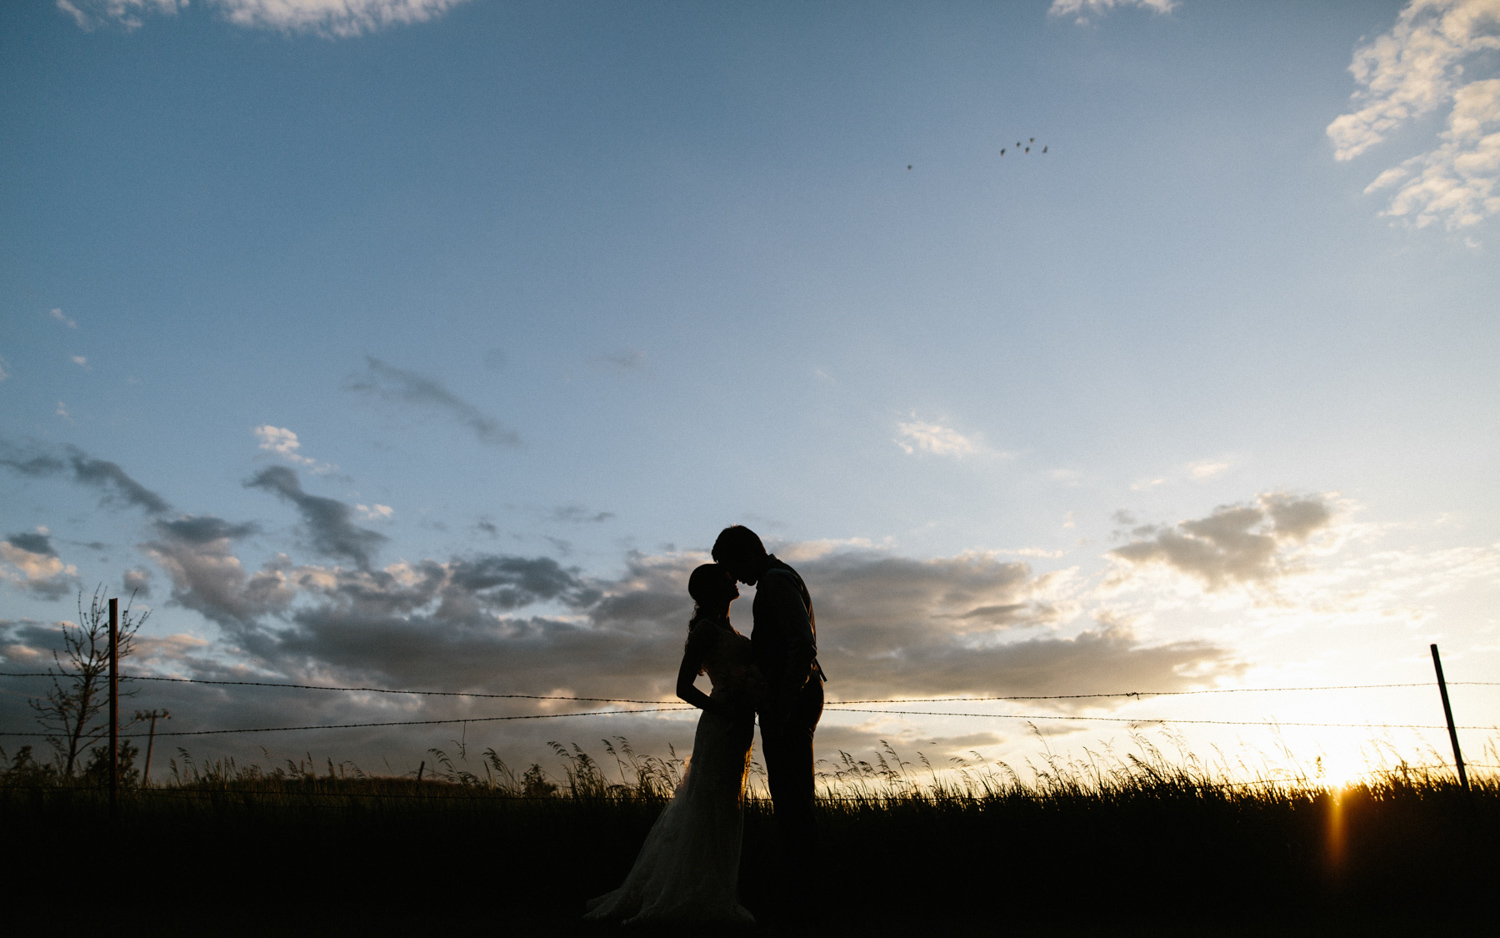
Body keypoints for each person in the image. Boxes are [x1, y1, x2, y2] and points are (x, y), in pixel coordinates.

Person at [584, 563, 761, 926]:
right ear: (713, 590)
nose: (734, 578)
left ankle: (717, 891)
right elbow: (683, 687)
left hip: (740, 727)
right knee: (708, 808)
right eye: (725, 577)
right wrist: (723, 707)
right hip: (721, 727)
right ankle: (696, 894)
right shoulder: (706, 631)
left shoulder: (730, 629)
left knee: (727, 810)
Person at [711, 524, 825, 914]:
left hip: (790, 701)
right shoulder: (779, 578)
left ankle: (804, 898)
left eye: (732, 565)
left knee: (792, 798)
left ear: (747, 553)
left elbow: (802, 644)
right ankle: (804, 892)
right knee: (793, 795)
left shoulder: (776, 582)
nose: (734, 577)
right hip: (791, 698)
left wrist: (783, 701)